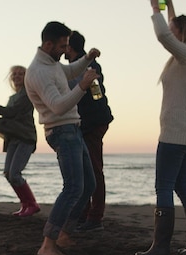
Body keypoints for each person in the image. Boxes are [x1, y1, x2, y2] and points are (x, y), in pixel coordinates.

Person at [136, 0, 186, 255]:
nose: (171, 30)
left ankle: (161, 246)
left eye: (175, 29)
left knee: (164, 187)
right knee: (183, 187)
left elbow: (163, 35)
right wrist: (170, 7)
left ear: (182, 34)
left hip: (175, 133)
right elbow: (171, 30)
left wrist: (154, 9)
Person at [24, 21, 100, 255]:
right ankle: (48, 243)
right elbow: (57, 106)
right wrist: (82, 87)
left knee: (89, 185)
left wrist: (87, 58)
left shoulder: (52, 64)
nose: (66, 50)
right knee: (73, 187)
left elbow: (68, 72)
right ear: (48, 44)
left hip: (73, 129)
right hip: (61, 131)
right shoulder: (38, 71)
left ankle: (64, 234)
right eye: (62, 46)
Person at [65, 31, 114, 232]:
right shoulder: (80, 66)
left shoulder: (88, 66)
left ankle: (95, 217)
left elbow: (91, 95)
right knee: (86, 170)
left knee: (93, 170)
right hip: (88, 122)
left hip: (92, 123)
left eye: (64, 45)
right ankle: (85, 214)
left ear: (69, 47)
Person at [0, 65, 40, 217]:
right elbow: (10, 117)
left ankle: (32, 204)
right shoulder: (13, 97)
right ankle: (25, 204)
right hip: (14, 138)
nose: (17, 76)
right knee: (8, 173)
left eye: (21, 74)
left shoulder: (27, 94)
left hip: (25, 137)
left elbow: (13, 112)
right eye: (15, 74)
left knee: (15, 173)